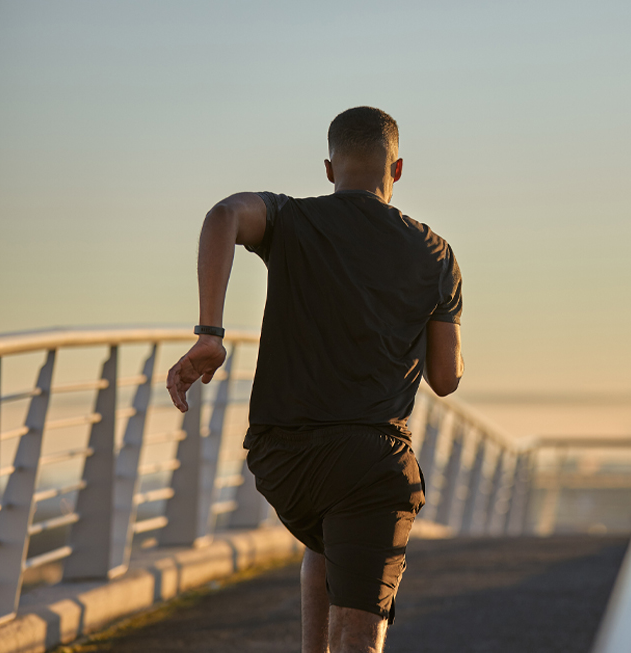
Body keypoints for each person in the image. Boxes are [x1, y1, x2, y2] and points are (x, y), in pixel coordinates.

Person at [165, 106, 463, 653]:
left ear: (330, 169)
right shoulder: (435, 254)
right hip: (370, 459)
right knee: (359, 636)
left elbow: (223, 215)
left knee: (329, 539)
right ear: (397, 171)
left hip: (282, 457)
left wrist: (210, 333)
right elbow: (445, 379)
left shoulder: (291, 219)